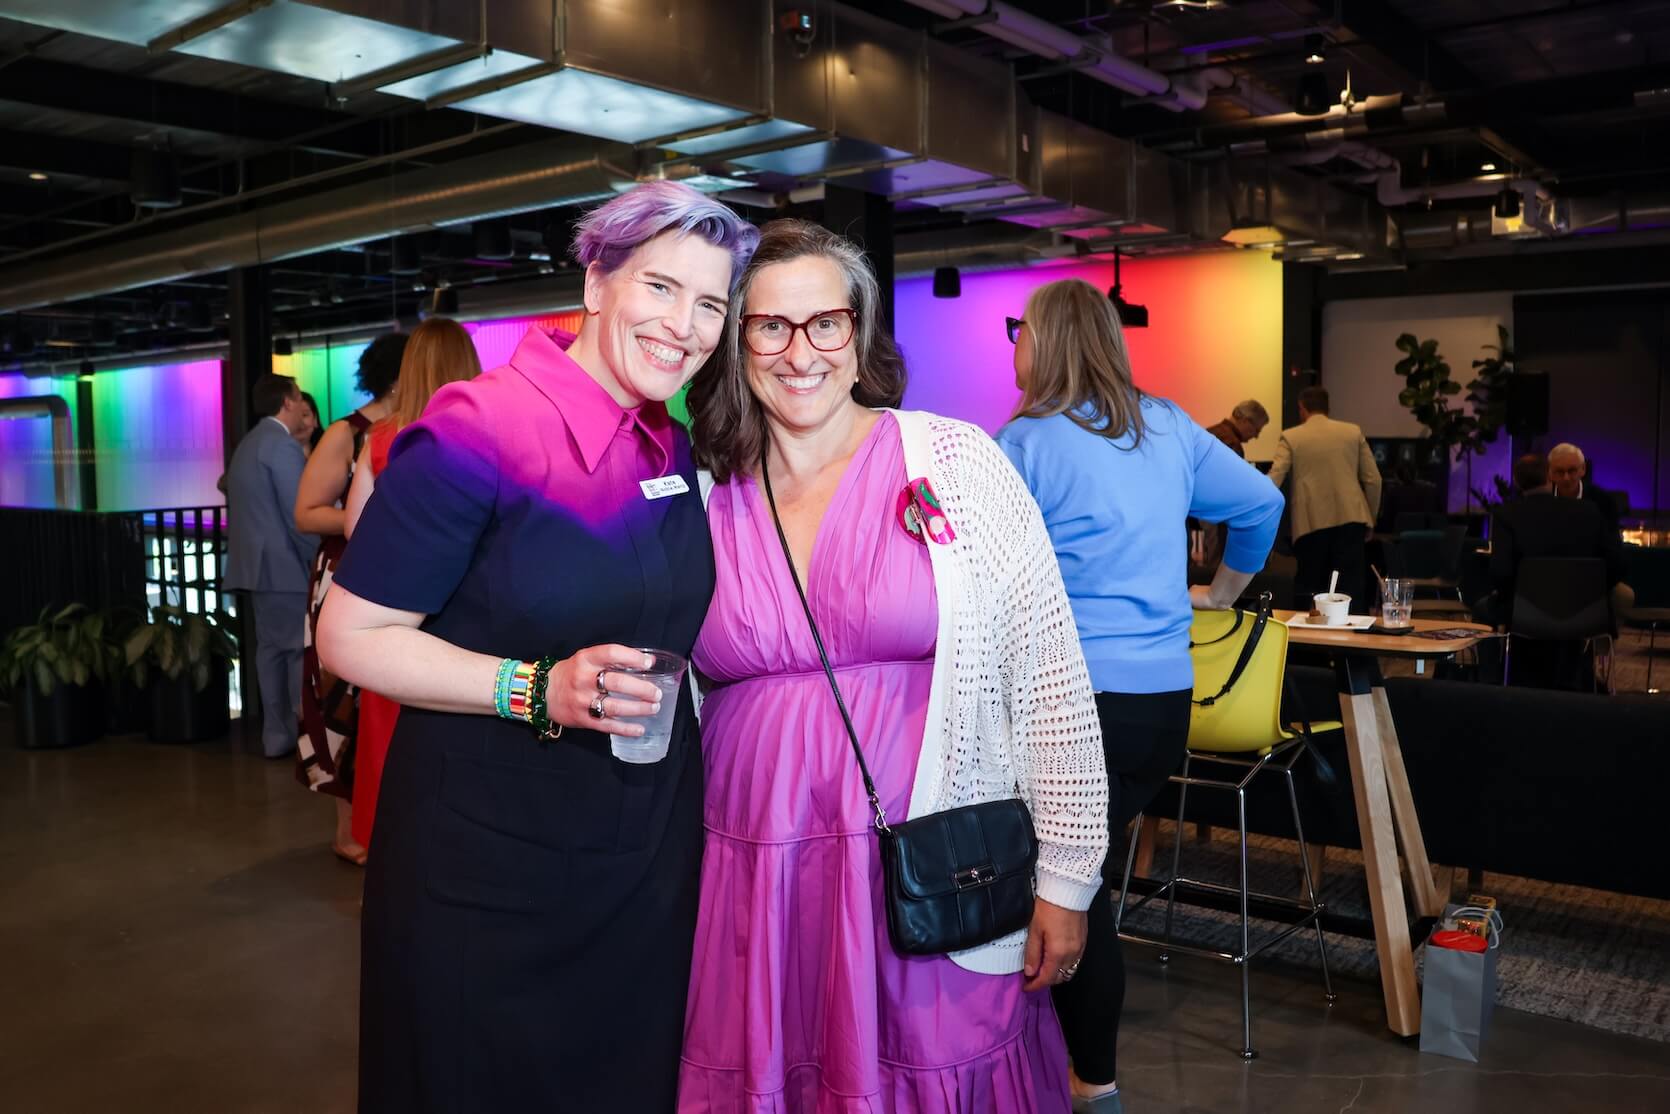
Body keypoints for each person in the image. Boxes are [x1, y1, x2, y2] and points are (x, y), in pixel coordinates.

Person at [316, 181, 756, 1113]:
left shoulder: (667, 441)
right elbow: (349, 636)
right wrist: (534, 687)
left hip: (638, 865)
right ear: (595, 282)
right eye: (660, 287)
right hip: (490, 878)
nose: (684, 326)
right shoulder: (475, 430)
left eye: (710, 303)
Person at [680, 220, 1108, 1114]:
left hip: (923, 860)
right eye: (771, 326)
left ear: (860, 332)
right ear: (737, 341)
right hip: (751, 869)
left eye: (825, 323)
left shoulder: (954, 461)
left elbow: (1048, 680)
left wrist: (1067, 878)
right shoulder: (705, 491)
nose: (801, 353)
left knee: (929, 1068)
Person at [996, 279, 1284, 1114]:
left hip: (1071, 707)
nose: (1016, 345)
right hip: (1161, 707)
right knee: (1083, 881)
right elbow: (1262, 502)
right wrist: (1222, 593)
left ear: (1045, 341)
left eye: (1020, 330)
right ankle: (1076, 1078)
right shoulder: (1168, 426)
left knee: (1066, 889)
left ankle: (1089, 1085)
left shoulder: (1025, 442)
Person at [341, 318, 482, 854]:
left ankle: (390, 854)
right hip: (467, 618)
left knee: (389, 741)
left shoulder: (382, 439)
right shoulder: (484, 434)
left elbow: (355, 528)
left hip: (397, 619)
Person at [292, 332, 407, 865]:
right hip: (344, 575)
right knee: (340, 701)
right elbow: (306, 511)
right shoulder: (348, 432)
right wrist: (372, 516)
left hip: (391, 576)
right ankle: (348, 830)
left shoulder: (420, 424)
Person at [224, 373, 319, 759]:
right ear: (287, 402)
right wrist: (317, 559)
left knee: (270, 651)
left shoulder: (248, 444)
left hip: (256, 567)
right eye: (298, 399)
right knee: (295, 651)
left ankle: (276, 734)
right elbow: (300, 518)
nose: (301, 406)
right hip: (284, 567)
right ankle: (302, 736)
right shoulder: (281, 446)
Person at [1267, 385, 1381, 609]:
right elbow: (1374, 480)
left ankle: (1309, 630)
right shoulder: (1352, 432)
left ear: (1302, 408)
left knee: (1311, 588)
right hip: (1351, 519)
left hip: (1310, 523)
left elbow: (1274, 479)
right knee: (1351, 589)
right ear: (1328, 408)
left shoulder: (1291, 436)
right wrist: (1370, 518)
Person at [1486, 453, 1628, 624]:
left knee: (1483, 609)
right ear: (1550, 476)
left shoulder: (1505, 515)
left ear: (1516, 481)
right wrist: (1594, 594)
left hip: (1525, 616)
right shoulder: (1589, 511)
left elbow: (1501, 573)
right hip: (1586, 614)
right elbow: (1616, 564)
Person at [1549, 442, 1621, 528]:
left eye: (1572, 471)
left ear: (1583, 469)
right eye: (1560, 471)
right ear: (1550, 473)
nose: (1566, 478)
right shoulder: (1542, 501)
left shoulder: (1603, 502)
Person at [1205, 398, 1269, 458]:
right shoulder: (1233, 445)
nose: (1256, 436)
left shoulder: (1209, 432)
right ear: (1245, 421)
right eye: (1257, 430)